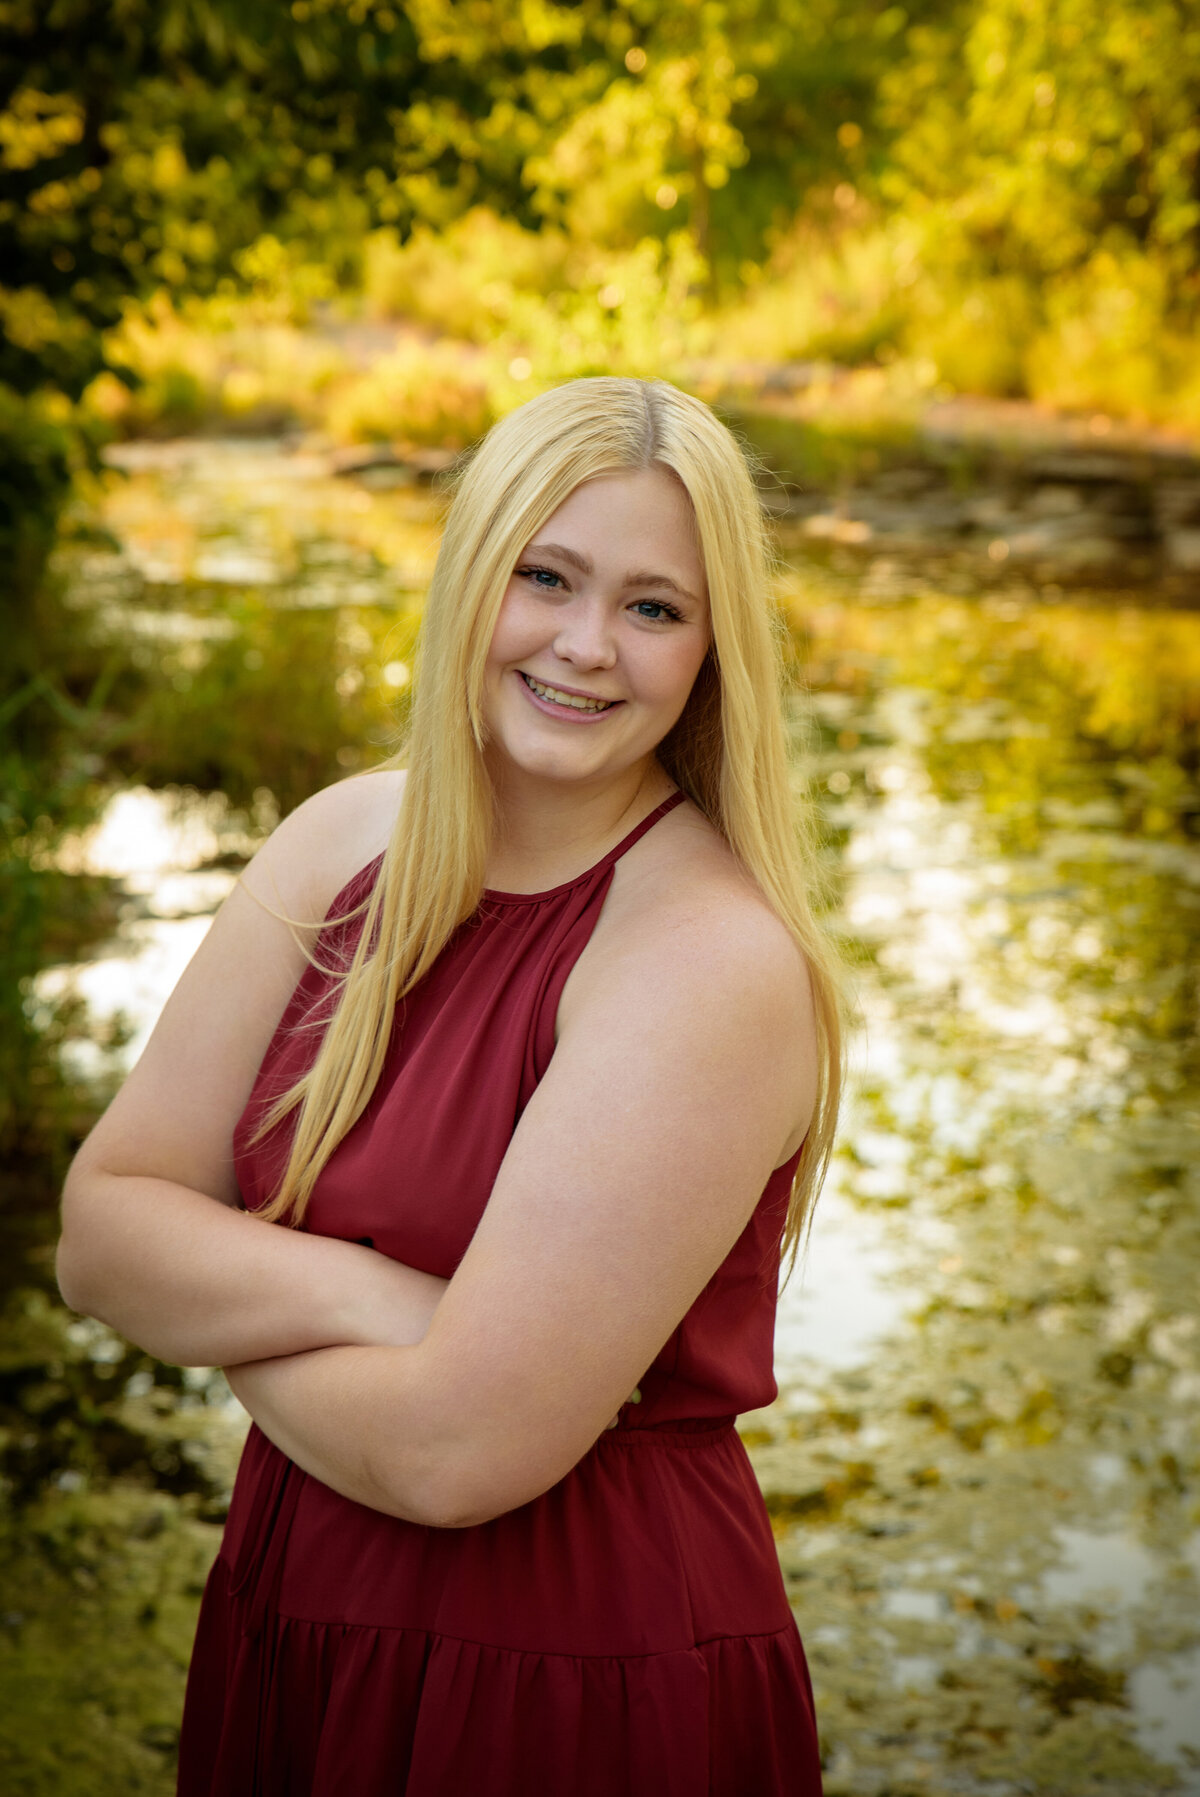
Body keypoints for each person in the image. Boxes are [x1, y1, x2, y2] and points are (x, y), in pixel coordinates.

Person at [56, 376, 843, 1796]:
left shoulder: (706, 962)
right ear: (475, 570)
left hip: (564, 1671)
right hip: (295, 1605)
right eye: (547, 576)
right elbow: (103, 1233)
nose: (587, 647)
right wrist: (384, 1303)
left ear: (716, 646)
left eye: (655, 607)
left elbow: (457, 1449)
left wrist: (220, 1299)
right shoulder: (337, 844)